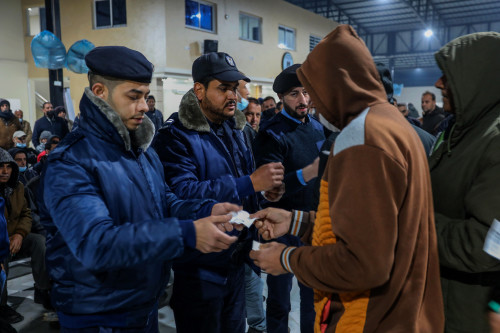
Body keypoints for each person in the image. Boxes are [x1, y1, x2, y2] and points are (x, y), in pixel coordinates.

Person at [249, 24, 444, 332]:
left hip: (371, 316)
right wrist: (298, 222)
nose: (310, 101)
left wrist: (288, 258)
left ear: (337, 84)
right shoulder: (389, 121)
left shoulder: (363, 138)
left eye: (313, 90)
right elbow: (368, 228)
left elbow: (363, 262)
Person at [40, 46, 240, 332]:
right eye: (133, 96)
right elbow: (96, 244)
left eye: (145, 96)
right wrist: (186, 233)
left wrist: (207, 210)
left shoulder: (140, 149)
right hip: (98, 314)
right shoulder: (71, 161)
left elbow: (164, 202)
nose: (145, 106)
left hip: (142, 305)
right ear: (99, 92)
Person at [152, 52, 284, 333]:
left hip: (236, 261)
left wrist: (261, 198)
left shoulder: (236, 130)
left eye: (234, 88)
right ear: (199, 90)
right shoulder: (174, 136)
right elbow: (182, 192)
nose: (233, 95)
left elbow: (244, 187)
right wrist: (249, 183)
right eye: (223, 88)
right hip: (200, 267)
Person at [427, 31, 500, 332]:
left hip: (468, 315)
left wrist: (413, 222)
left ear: (477, 79)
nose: (438, 83)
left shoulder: (494, 141)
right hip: (439, 303)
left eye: (448, 75)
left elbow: (485, 245)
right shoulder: (456, 131)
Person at [253, 64, 323, 333]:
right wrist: (309, 173)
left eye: (306, 92)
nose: (303, 100)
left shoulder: (317, 128)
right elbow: (273, 187)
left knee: (312, 297)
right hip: (280, 225)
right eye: (295, 94)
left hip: (311, 224)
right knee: (280, 300)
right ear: (282, 97)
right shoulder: (271, 133)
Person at [0, 147, 52, 321]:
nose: (5, 171)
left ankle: (43, 289)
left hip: (17, 236)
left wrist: (20, 234)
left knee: (39, 242)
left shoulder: (18, 187)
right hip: (1, 241)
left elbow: (26, 214)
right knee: (2, 255)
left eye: (9, 167)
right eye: (1, 167)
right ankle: (2, 304)